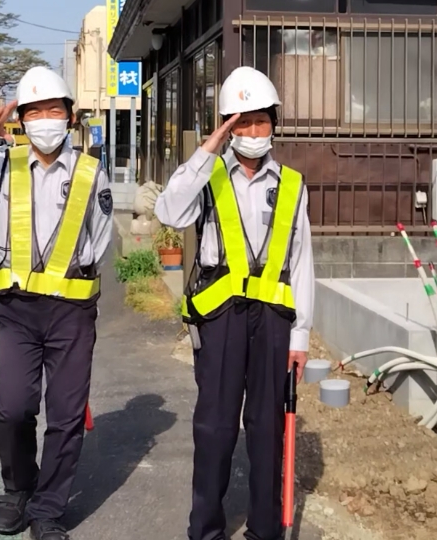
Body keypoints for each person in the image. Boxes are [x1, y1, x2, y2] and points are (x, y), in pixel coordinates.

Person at [0, 66, 113, 540]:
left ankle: (48, 511)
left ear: (70, 118)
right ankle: (18, 488)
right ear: (22, 119)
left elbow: (99, 241)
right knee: (12, 407)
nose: (46, 119)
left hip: (72, 311)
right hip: (16, 311)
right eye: (35, 112)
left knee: (67, 414)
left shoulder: (92, 172)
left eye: (55, 110)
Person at [154, 65, 314, 540]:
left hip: (273, 323)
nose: (251, 131)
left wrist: (301, 335)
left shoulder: (290, 185)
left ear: (273, 126)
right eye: (240, 122)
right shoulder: (208, 176)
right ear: (226, 126)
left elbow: (303, 261)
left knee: (267, 430)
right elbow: (168, 209)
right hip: (220, 321)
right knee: (215, 428)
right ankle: (205, 529)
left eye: (259, 121)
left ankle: (265, 529)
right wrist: (208, 148)